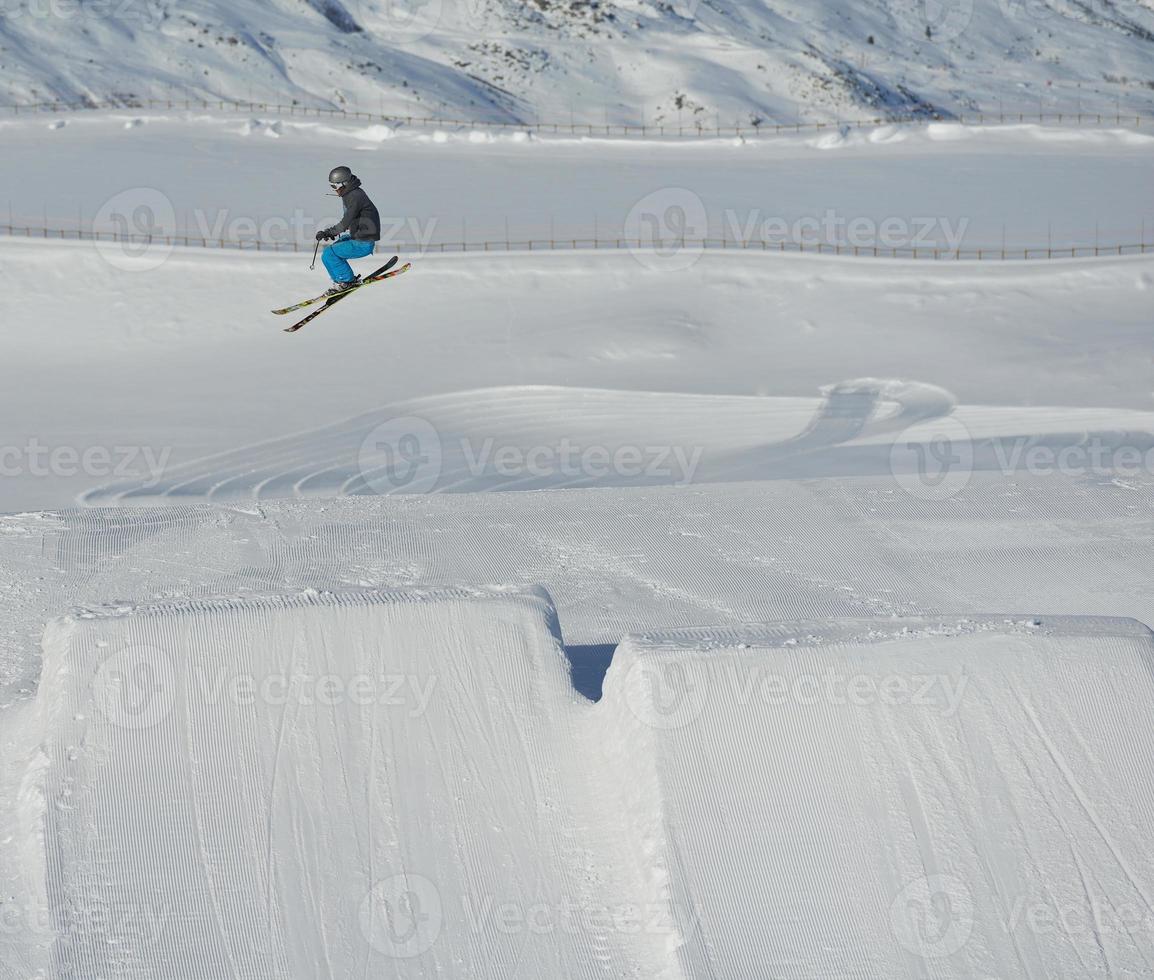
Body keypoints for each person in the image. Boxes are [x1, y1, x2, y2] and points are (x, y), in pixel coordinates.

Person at [316, 166, 381, 295]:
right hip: (358, 237)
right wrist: (336, 232)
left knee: (330, 254)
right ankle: (339, 282)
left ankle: (346, 281)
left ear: (343, 184)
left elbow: (345, 221)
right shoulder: (351, 194)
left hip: (363, 243)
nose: (334, 190)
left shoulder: (354, 196)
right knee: (326, 254)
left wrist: (329, 232)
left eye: (334, 186)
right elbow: (350, 220)